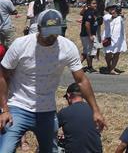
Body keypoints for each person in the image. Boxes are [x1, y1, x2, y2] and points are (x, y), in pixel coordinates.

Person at [0, 9, 106, 153]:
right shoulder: (21, 44)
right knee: (5, 149)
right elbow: (3, 76)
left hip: (47, 110)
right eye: (47, 32)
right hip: (18, 106)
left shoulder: (67, 47)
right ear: (38, 28)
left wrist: (95, 110)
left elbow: (81, 80)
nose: (51, 36)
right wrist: (5, 109)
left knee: (50, 150)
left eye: (55, 31)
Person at [57, 82, 103, 153]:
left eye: (66, 98)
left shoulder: (64, 112)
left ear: (69, 95)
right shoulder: (94, 110)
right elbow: (98, 129)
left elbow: (49, 130)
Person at [104, 5, 128, 75]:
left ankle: (112, 69)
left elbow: (123, 19)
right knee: (108, 53)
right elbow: (109, 19)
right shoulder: (106, 16)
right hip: (109, 38)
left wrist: (122, 16)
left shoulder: (120, 17)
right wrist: (114, 15)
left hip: (119, 38)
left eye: (114, 9)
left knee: (117, 54)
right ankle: (109, 66)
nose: (113, 10)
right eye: (111, 9)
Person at [80, 0, 99, 73]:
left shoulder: (90, 12)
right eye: (93, 3)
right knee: (89, 52)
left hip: (87, 35)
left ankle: (76, 66)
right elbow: (87, 24)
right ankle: (90, 67)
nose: (95, 5)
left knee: (85, 52)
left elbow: (81, 13)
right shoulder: (89, 13)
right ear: (89, 5)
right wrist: (90, 35)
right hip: (86, 35)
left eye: (95, 3)